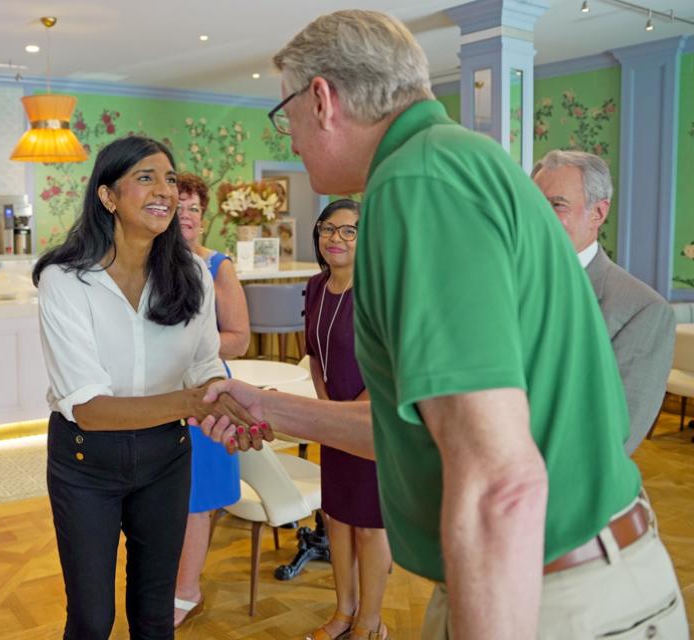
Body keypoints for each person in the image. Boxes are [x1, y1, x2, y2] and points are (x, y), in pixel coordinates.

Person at [196, 10, 687, 639]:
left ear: (321, 99)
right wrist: (264, 406)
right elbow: (425, 427)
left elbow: (496, 481)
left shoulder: (417, 184)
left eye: (283, 112)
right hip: (543, 577)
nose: (288, 137)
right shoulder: (455, 161)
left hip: (546, 593)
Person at [32, 136, 254, 640]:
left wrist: (224, 401)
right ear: (108, 196)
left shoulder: (193, 274)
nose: (165, 191)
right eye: (146, 178)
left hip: (167, 458)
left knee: (156, 615)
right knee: (92, 619)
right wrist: (194, 401)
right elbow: (89, 409)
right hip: (86, 462)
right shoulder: (65, 280)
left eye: (171, 179)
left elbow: (203, 365)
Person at [531, 150, 675, 454]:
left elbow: (615, 439)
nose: (540, 216)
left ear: (598, 213)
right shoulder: (507, 283)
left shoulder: (642, 310)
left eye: (558, 205)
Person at [305, 200, 390, 640]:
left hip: (372, 426)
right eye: (328, 229)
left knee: (371, 527)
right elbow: (315, 357)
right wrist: (325, 413)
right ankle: (344, 611)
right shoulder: (316, 287)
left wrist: (346, 415)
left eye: (349, 231)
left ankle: (371, 623)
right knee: (337, 518)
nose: (335, 238)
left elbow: (393, 366)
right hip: (332, 424)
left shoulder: (380, 292)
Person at [172, 172, 249, 628]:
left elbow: (238, 340)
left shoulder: (218, 266)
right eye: (177, 207)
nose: (185, 216)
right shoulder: (144, 262)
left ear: (203, 218)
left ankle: (187, 589)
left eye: (193, 209)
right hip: (157, 394)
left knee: (196, 496)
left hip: (205, 390)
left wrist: (186, 344)